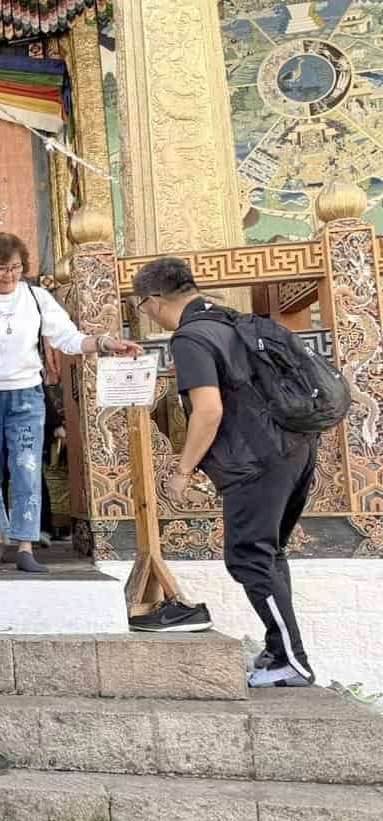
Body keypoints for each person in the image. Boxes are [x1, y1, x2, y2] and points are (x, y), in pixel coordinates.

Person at [133, 257, 316, 685]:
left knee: (248, 557)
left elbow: (208, 411)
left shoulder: (191, 338)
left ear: (156, 299)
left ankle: (294, 660)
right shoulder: (233, 321)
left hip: (254, 462)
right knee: (268, 555)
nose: (146, 313)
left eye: (142, 305)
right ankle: (278, 653)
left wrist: (182, 471)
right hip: (295, 450)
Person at [0, 233, 140, 572]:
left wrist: (105, 343)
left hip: (26, 395)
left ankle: (25, 545)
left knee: (27, 469)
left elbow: (69, 338)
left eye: (16, 268)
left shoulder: (36, 298)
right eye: (2, 268)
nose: (10, 276)